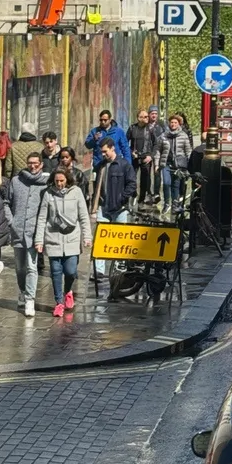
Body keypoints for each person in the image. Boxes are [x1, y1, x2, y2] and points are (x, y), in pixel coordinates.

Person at [35, 168, 92, 316]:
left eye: (62, 181)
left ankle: (68, 291)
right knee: (55, 272)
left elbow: (83, 216)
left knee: (71, 271)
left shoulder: (77, 192)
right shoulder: (48, 194)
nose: (59, 184)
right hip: (53, 238)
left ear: (67, 179)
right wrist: (39, 240)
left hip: (72, 238)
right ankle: (59, 302)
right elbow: (42, 218)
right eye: (56, 181)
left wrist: (87, 236)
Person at [6, 151, 48, 317]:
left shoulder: (45, 184)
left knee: (32, 266)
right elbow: (6, 202)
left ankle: (30, 299)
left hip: (34, 232)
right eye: (30, 162)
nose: (32, 166)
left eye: (36, 163)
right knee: (19, 267)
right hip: (17, 231)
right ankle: (22, 290)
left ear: (41, 165)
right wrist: (12, 221)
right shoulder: (16, 181)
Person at [90, 138, 136, 276]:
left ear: (112, 148)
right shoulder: (101, 166)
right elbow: (96, 186)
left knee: (120, 240)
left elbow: (132, 184)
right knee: (101, 239)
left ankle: (119, 267)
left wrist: (122, 198)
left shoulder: (124, 165)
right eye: (101, 152)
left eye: (105, 151)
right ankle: (99, 270)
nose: (103, 154)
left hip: (120, 209)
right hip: (104, 207)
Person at [159, 115, 191, 212]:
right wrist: (157, 164)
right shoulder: (163, 135)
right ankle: (166, 203)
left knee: (175, 185)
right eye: (171, 122)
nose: (173, 124)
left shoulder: (183, 135)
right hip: (166, 163)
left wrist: (189, 165)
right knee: (166, 183)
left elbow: (188, 151)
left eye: (175, 122)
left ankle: (175, 205)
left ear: (179, 124)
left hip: (178, 164)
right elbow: (157, 150)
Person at [127, 109, 157, 205]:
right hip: (134, 158)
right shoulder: (132, 128)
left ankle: (142, 200)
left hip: (146, 158)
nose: (146, 118)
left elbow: (156, 144)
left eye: (147, 116)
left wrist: (151, 156)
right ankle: (133, 195)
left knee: (145, 180)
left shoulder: (150, 129)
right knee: (132, 178)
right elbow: (125, 142)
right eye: (143, 117)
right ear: (139, 118)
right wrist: (131, 152)